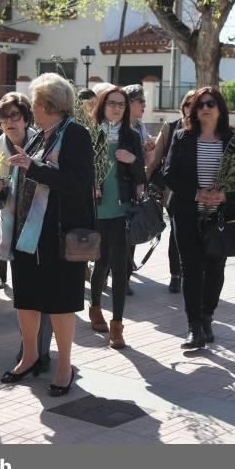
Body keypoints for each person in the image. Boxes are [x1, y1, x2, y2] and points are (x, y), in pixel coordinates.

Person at [2, 73, 94, 397]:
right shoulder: (38, 136)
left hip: (58, 237)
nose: (32, 108)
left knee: (59, 303)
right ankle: (29, 356)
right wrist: (0, 189)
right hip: (27, 237)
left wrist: (34, 167)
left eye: (35, 102)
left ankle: (64, 365)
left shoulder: (76, 135)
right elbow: (22, 179)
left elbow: (77, 182)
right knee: (26, 299)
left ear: (49, 104)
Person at [163, 87, 235, 349]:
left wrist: (225, 196)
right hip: (187, 213)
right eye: (200, 104)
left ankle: (207, 318)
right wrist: (196, 194)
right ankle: (193, 328)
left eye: (210, 103)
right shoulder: (182, 138)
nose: (204, 108)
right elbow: (169, 174)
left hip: (221, 217)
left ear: (220, 108)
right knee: (191, 269)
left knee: (214, 269)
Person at [0, 92, 53, 364]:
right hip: (14, 232)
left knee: (45, 295)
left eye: (15, 116)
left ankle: (42, 351)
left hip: (43, 230)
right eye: (4, 117)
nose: (10, 122)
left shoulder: (43, 143)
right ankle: (28, 348)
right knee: (24, 296)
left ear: (25, 118)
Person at [88, 85, 145, 348]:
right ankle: (96, 307)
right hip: (96, 209)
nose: (116, 108)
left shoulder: (131, 136)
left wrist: (132, 160)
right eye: (111, 103)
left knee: (121, 267)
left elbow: (140, 178)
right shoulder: (89, 134)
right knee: (101, 262)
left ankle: (117, 326)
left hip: (122, 209)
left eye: (121, 104)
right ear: (102, 104)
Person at [146, 89, 196, 294]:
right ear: (182, 107)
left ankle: (193, 273)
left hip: (202, 193)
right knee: (177, 232)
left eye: (196, 104)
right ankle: (176, 275)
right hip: (173, 191)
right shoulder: (171, 127)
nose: (191, 108)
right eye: (187, 104)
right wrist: (143, 182)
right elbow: (156, 159)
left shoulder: (208, 131)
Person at [124, 84, 156, 166]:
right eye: (141, 101)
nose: (144, 105)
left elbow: (145, 163)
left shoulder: (140, 126)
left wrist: (149, 150)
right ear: (128, 102)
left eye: (144, 102)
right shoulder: (115, 128)